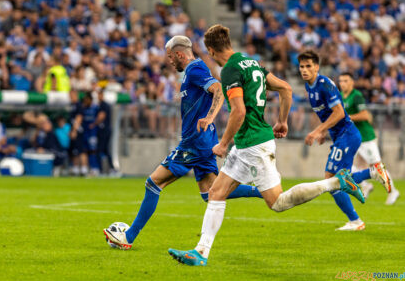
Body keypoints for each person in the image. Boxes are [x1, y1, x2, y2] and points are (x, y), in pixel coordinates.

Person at [167, 25, 365, 267]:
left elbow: (238, 111)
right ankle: (201, 252)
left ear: (211, 50)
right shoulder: (252, 64)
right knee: (215, 193)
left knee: (278, 203)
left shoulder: (230, 70)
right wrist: (281, 120)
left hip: (253, 144)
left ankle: (337, 182)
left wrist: (222, 143)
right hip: (248, 144)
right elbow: (286, 88)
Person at [104, 35, 264, 250]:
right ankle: (262, 189)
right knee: (210, 192)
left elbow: (217, 88)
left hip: (194, 143)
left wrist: (209, 117)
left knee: (154, 183)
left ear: (179, 54)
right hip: (205, 141)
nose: (169, 61)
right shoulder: (194, 70)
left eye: (170, 57)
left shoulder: (194, 69)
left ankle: (128, 237)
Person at [300, 51, 392, 231]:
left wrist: (318, 130)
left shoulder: (324, 84)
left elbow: (340, 113)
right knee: (338, 181)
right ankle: (356, 219)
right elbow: (327, 113)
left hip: (347, 135)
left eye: (309, 66)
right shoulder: (309, 87)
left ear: (317, 67)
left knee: (331, 180)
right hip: (340, 136)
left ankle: (372, 176)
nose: (304, 70)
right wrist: (324, 132)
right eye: (302, 66)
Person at [339, 72, 399, 205]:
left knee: (376, 165)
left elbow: (365, 115)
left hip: (366, 137)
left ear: (352, 83)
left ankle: (392, 191)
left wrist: (347, 118)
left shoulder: (357, 96)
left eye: (345, 81)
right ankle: (365, 185)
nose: (343, 83)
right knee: (348, 165)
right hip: (354, 137)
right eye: (341, 81)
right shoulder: (342, 97)